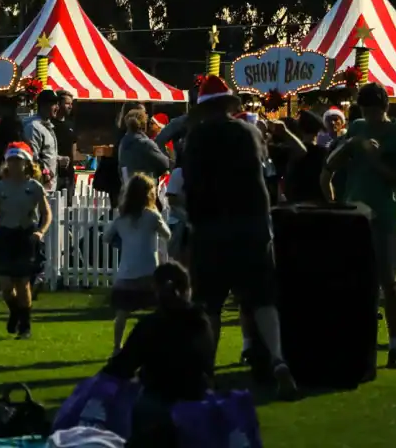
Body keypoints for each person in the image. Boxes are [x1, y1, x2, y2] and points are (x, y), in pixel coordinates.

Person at [180, 75, 296, 398]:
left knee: (209, 304)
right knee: (262, 299)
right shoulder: (248, 133)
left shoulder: (196, 138)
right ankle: (277, 358)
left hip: (212, 228)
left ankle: (207, 369)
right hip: (252, 225)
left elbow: (191, 187)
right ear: (229, 105)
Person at [322, 81, 396, 369]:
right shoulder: (357, 128)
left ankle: (395, 348)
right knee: (355, 284)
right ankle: (357, 345)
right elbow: (332, 164)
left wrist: (374, 157)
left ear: (385, 107)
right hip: (354, 215)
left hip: (385, 217)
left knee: (390, 282)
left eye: (374, 111)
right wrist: (349, 145)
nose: (370, 116)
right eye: (365, 110)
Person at [102, 261, 217, 448]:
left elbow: (123, 365)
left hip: (157, 402)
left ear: (156, 289)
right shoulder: (200, 322)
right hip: (196, 399)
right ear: (187, 288)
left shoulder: (150, 324)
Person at [0, 142, 51, 340]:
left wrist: (40, 231)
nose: (15, 164)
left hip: (26, 236)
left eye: (19, 160)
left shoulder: (34, 187)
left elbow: (46, 212)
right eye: (11, 160)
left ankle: (25, 325)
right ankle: (15, 312)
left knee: (23, 284)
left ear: (27, 163)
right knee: (6, 287)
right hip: (6, 236)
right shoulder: (0, 187)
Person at [103, 173, 171, 356]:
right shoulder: (151, 216)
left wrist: (121, 243)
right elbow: (168, 234)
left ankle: (117, 347)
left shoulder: (121, 218)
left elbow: (106, 237)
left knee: (122, 314)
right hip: (149, 272)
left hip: (126, 273)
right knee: (158, 311)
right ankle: (159, 346)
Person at [118, 109, 170, 185]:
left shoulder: (123, 143)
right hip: (146, 187)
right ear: (144, 124)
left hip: (127, 187)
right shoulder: (146, 143)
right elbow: (165, 164)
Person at [22, 90, 60, 191]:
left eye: (57, 104)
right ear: (43, 105)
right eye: (53, 104)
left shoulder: (47, 126)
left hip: (48, 185)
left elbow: (45, 154)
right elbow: (31, 157)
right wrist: (45, 174)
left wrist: (58, 158)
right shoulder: (33, 127)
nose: (57, 108)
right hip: (38, 186)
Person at [53, 90, 79, 205]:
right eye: (67, 103)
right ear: (58, 104)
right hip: (54, 172)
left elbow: (74, 145)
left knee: (68, 204)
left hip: (68, 173)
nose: (70, 106)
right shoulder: (51, 124)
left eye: (71, 104)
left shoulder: (71, 124)